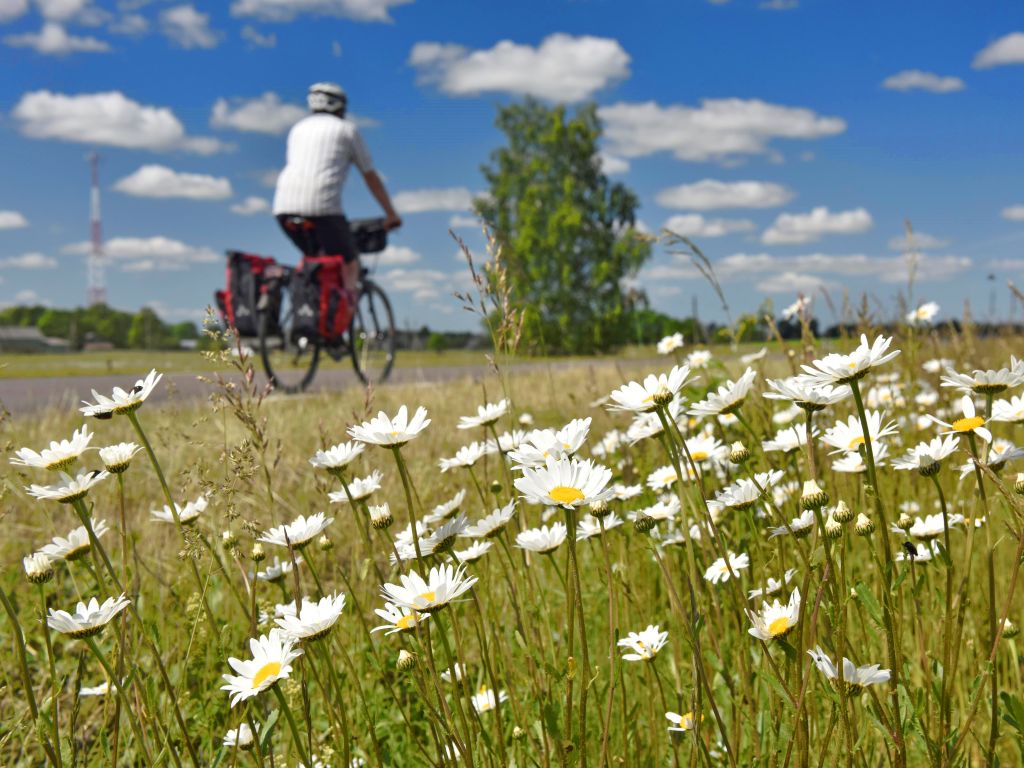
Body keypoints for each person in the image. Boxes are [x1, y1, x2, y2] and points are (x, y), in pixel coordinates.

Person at [273, 81, 401, 297]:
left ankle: (310, 309)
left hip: (283, 207)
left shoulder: (298, 129)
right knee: (349, 263)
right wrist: (391, 213)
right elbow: (370, 176)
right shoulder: (346, 130)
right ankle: (343, 314)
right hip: (323, 208)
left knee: (315, 261)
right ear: (340, 106)